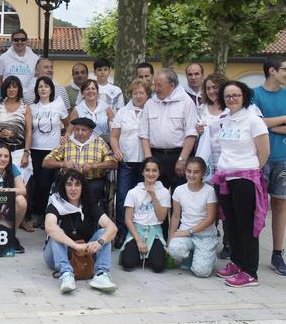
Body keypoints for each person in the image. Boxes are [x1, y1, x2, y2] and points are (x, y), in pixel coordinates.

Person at [214, 81, 269, 288]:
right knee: (231, 223)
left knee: (246, 225)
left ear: (244, 96)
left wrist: (249, 170)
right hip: (224, 178)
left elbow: (264, 152)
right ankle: (237, 262)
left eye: (236, 95)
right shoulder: (226, 119)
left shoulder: (254, 120)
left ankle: (250, 272)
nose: (232, 99)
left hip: (245, 179)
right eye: (228, 96)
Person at [43, 170, 118, 293]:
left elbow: (112, 228)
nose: (73, 189)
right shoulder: (56, 203)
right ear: (64, 187)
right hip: (59, 253)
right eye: (69, 184)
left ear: (82, 187)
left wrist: (99, 242)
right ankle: (66, 274)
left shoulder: (89, 205)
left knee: (104, 232)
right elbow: (49, 227)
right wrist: (75, 245)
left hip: (85, 252)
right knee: (56, 232)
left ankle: (101, 274)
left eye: (77, 185)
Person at [251, 55, 286, 276]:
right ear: (272, 70)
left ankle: (277, 253)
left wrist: (267, 125)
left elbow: (261, 124)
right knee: (255, 206)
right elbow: (254, 122)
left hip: (283, 158)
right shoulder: (254, 94)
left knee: (280, 205)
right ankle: (248, 251)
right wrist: (282, 119)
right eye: (285, 69)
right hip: (259, 159)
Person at [139, 68, 198, 193]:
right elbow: (144, 134)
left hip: (179, 155)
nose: (156, 88)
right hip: (156, 156)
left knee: (179, 195)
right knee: (155, 196)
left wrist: (182, 159)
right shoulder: (150, 104)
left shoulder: (186, 102)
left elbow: (191, 133)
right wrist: (149, 159)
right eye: (155, 85)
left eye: (160, 85)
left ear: (172, 85)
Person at [110, 79, 151, 244]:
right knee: (123, 196)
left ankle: (140, 231)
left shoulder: (151, 111)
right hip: (126, 162)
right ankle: (122, 231)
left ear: (147, 95)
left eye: (142, 93)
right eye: (135, 93)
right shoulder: (122, 112)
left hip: (145, 163)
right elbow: (114, 136)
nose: (138, 96)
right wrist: (116, 150)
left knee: (143, 197)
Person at [44, 117, 117, 207]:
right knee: (63, 188)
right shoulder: (67, 142)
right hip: (68, 180)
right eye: (77, 129)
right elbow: (46, 162)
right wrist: (63, 164)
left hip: (91, 181)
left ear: (91, 131)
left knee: (93, 190)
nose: (80, 133)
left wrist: (94, 165)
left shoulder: (99, 143)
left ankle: (89, 214)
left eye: (83, 130)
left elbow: (114, 164)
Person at [196, 73, 230, 259]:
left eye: (215, 87)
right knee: (209, 201)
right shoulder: (202, 108)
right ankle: (210, 237)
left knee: (227, 202)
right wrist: (198, 130)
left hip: (227, 161)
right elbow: (195, 131)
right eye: (208, 88)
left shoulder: (231, 107)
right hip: (208, 161)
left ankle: (228, 242)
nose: (211, 91)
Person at [167, 157, 218, 278]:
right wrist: (171, 238)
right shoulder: (179, 190)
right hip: (185, 233)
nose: (191, 175)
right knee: (174, 249)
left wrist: (189, 231)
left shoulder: (210, 191)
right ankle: (190, 255)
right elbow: (175, 216)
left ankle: (209, 256)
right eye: (188, 171)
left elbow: (210, 219)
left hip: (205, 235)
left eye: (196, 172)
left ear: (203, 174)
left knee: (201, 272)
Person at [119, 157, 171, 273]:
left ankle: (148, 255)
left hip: (154, 231)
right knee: (128, 264)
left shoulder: (164, 192)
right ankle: (138, 254)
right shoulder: (133, 192)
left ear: (159, 173)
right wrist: (138, 241)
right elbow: (128, 219)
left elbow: (162, 217)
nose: (151, 174)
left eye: (154, 170)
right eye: (147, 170)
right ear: (142, 172)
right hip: (137, 230)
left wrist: (153, 196)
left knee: (158, 267)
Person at [30, 76, 68, 222]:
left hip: (53, 149)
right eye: (40, 86)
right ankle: (37, 212)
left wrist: (64, 135)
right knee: (37, 182)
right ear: (36, 90)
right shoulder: (32, 107)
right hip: (35, 148)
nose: (43, 89)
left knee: (47, 183)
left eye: (46, 86)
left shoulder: (58, 104)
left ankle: (47, 213)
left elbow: (68, 123)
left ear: (51, 89)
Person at [0, 76, 32, 182]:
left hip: (19, 151)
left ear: (19, 89)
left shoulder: (25, 107)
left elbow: (28, 132)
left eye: (14, 87)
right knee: (0, 183)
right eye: (8, 87)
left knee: (21, 184)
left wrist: (26, 153)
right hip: (0, 152)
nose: (11, 90)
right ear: (4, 89)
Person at [0, 30, 38, 104]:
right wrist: (7, 93)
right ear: (12, 41)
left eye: (22, 39)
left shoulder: (35, 58)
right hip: (10, 100)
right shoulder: (3, 58)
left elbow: (38, 78)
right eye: (16, 40)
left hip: (30, 100)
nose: (19, 42)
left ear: (27, 41)